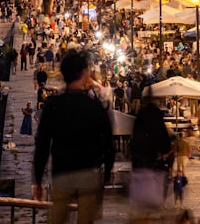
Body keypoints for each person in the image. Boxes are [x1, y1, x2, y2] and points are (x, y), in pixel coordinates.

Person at [32, 49, 115, 224]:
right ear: (84, 73)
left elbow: (43, 144)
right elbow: (108, 143)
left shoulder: (53, 106)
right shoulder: (94, 106)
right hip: (88, 175)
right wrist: (106, 174)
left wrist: (38, 179)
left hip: (62, 174)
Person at [130, 86, 173, 222]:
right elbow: (162, 137)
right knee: (149, 200)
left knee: (140, 204)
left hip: (138, 163)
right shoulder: (155, 114)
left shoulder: (140, 115)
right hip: (150, 162)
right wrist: (166, 149)